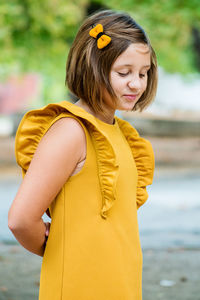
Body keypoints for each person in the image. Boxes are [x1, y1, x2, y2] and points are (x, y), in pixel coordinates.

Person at [8, 9, 158, 300]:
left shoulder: (121, 134)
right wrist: (62, 251)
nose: (136, 83)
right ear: (92, 67)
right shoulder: (71, 131)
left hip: (121, 282)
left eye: (144, 72)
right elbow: (21, 219)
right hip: (80, 285)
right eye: (123, 73)